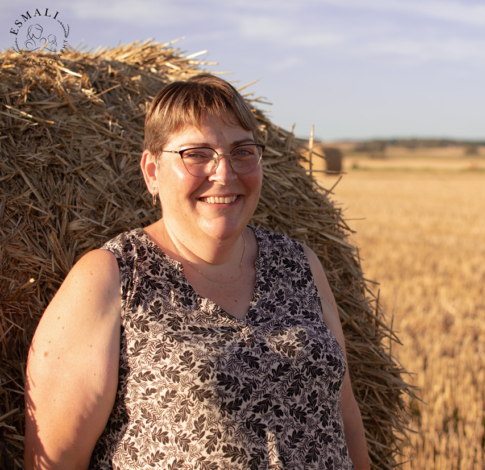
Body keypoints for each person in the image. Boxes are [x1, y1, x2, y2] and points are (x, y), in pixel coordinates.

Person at [24, 74, 370, 470]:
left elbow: (346, 418)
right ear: (152, 172)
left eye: (242, 151)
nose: (224, 174)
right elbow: (54, 462)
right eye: (197, 153)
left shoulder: (300, 263)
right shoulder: (111, 279)